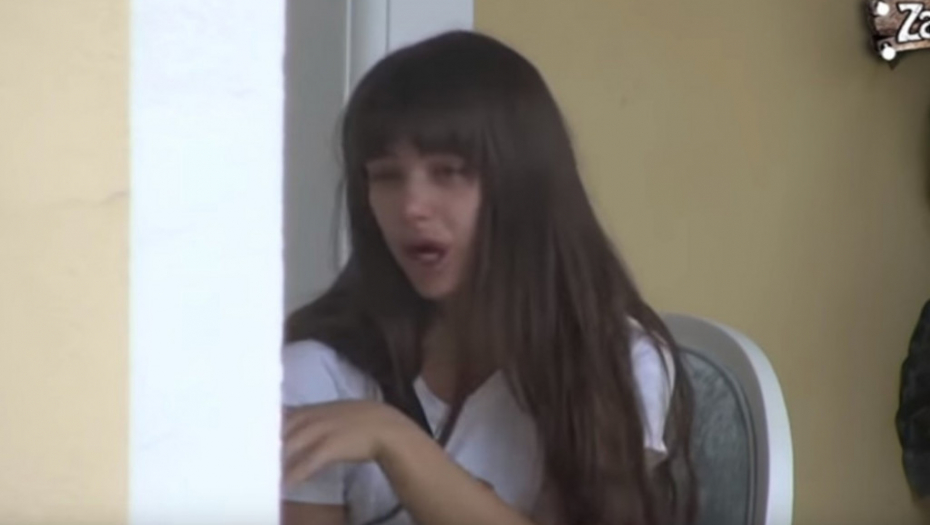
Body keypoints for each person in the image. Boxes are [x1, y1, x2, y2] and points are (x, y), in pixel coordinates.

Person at [280, 30, 697, 525]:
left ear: (525, 186)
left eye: (449, 172)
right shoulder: (317, 370)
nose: (411, 207)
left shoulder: (615, 358)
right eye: (387, 176)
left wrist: (397, 442)